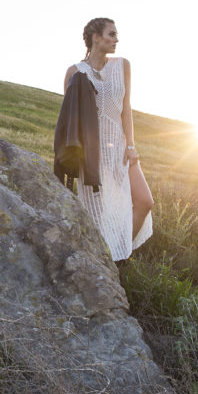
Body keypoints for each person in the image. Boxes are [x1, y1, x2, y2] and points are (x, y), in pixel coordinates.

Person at [63, 17, 153, 261]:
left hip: (121, 148)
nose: (116, 39)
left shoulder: (122, 65)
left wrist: (131, 144)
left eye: (116, 35)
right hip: (91, 154)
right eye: (111, 34)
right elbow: (70, 120)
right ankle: (106, 263)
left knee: (144, 201)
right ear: (95, 37)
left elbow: (126, 108)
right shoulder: (75, 72)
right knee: (99, 216)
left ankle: (116, 255)